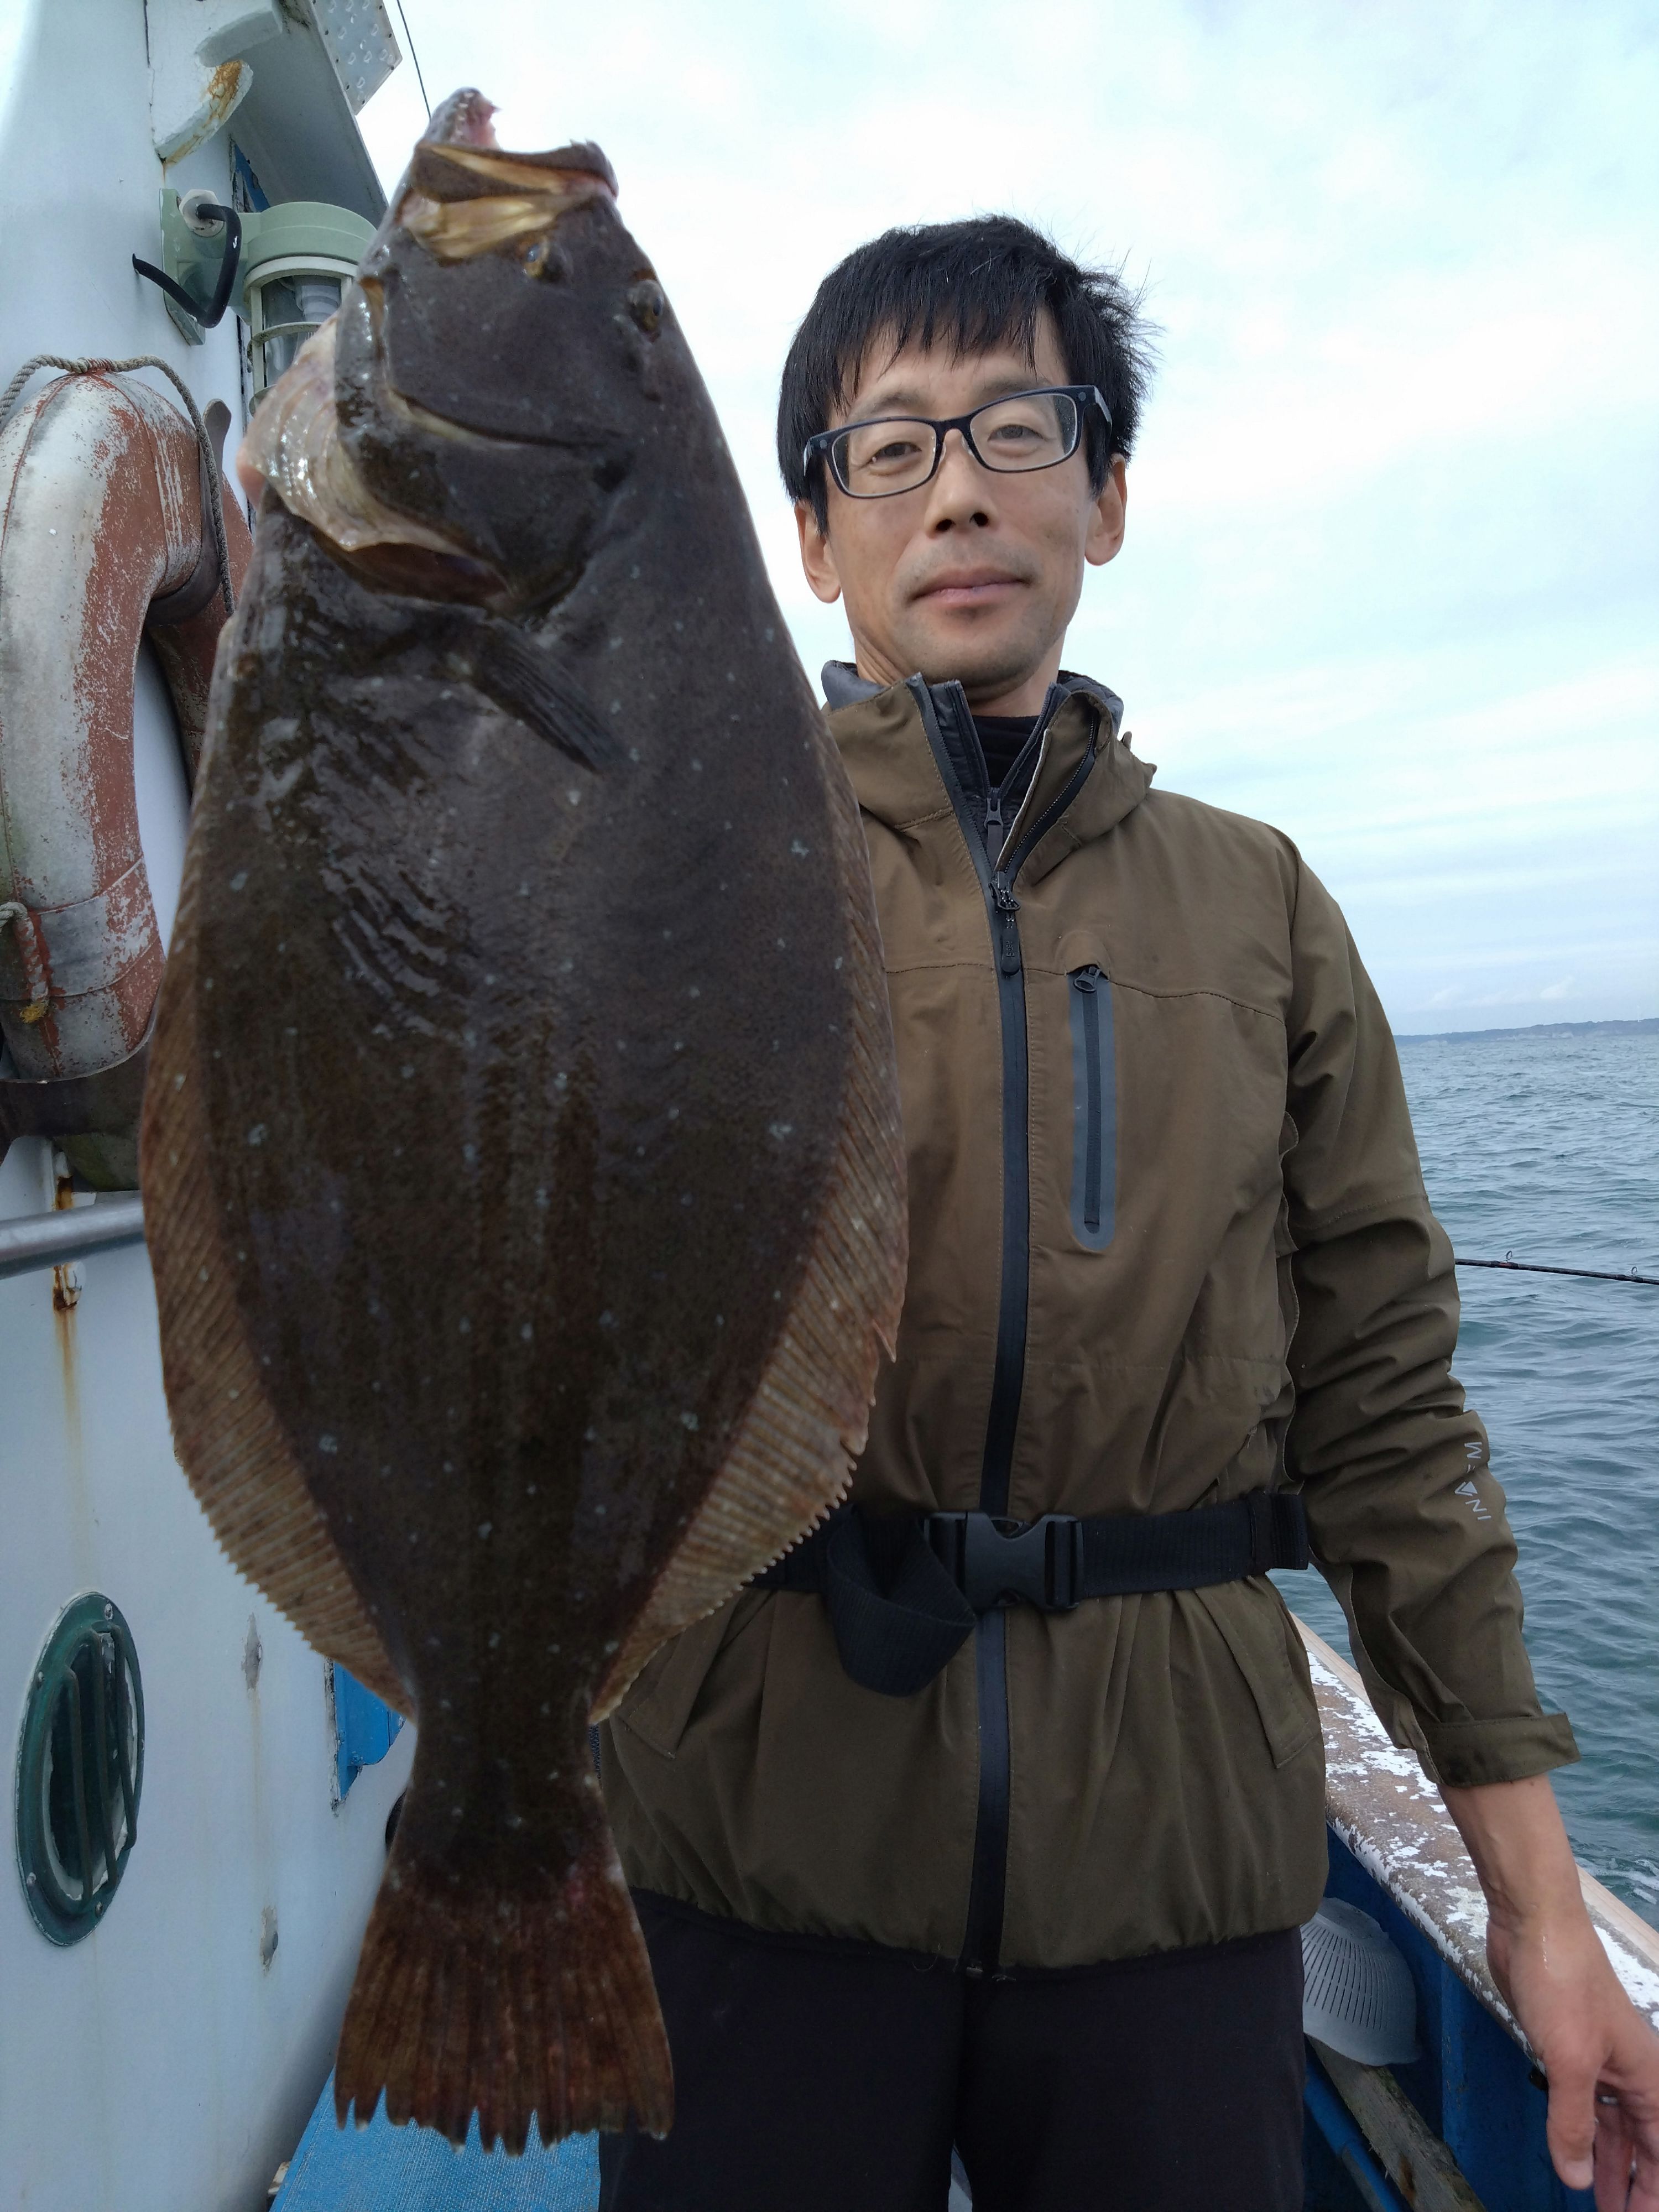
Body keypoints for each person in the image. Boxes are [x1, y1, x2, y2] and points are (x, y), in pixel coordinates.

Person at [597, 217, 1659, 2210]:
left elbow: (1389, 1421)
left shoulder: (1262, 907)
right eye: (888, 449)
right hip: (755, 1843)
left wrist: (1542, 1909)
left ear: (1106, 495)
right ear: (812, 537)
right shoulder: (670, 878)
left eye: (1019, 428)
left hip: (1174, 1876)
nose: (960, 492)